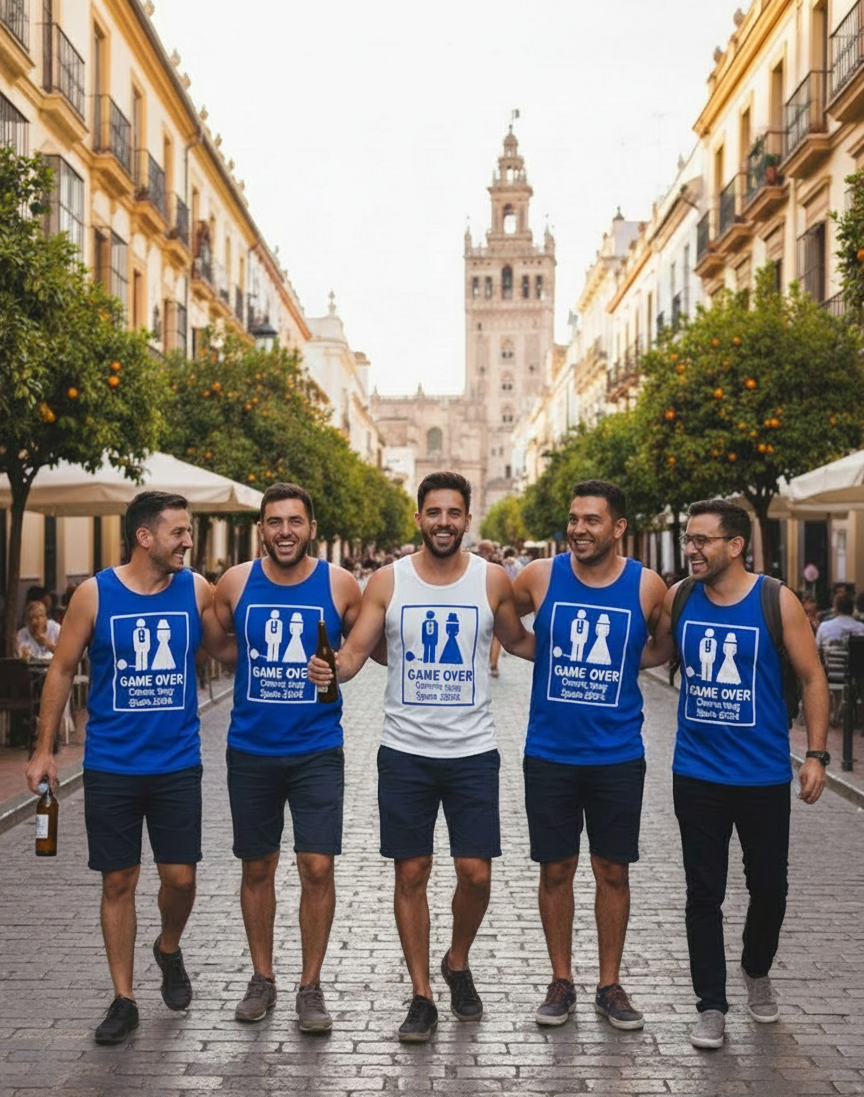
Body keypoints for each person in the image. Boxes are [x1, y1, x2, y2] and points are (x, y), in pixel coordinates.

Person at [309, 471, 534, 1042]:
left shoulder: (492, 580)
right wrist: (333, 669)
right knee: (411, 871)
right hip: (405, 752)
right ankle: (421, 993)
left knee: (475, 874)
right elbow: (357, 652)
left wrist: (594, 652)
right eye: (433, 512)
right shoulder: (388, 581)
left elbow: (519, 641)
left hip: (473, 751)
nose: (443, 522)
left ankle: (456, 960)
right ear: (419, 518)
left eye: (453, 513)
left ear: (467, 517)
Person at [24, 491, 232, 1046]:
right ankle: (124, 997)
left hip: (177, 763)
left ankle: (168, 946)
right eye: (179, 532)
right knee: (118, 879)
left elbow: (224, 650)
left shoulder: (196, 590)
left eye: (188, 532)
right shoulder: (95, 594)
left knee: (180, 878)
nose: (188, 541)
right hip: (112, 763)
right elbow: (62, 670)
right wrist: (44, 751)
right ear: (145, 537)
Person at [643, 498, 829, 1050]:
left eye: (701, 541)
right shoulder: (682, 597)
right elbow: (654, 652)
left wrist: (816, 755)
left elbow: (813, 678)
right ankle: (712, 1005)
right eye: (688, 540)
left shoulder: (777, 600)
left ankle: (755, 968)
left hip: (763, 775)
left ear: (734, 545)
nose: (691, 550)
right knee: (704, 893)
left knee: (769, 888)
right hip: (696, 773)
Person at [207, 483, 362, 1034]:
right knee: (258, 866)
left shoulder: (340, 585)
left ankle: (310, 985)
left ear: (311, 528)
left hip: (318, 749)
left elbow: (359, 653)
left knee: (316, 866)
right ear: (262, 530)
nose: (285, 532)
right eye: (275, 522)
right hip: (251, 749)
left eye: (295, 521)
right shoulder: (235, 583)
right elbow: (221, 643)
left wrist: (338, 666)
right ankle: (263, 977)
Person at [513, 480, 667, 1030]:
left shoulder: (647, 586)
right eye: (574, 519)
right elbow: (509, 630)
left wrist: (626, 665)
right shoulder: (539, 575)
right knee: (556, 869)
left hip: (617, 754)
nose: (579, 529)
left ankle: (610, 984)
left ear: (618, 527)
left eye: (592, 520)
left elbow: (664, 643)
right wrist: (542, 652)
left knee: (613, 871)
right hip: (550, 753)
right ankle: (561, 980)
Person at [476, 540, 502, 677]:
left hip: (481, 603)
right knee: (496, 636)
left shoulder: (472, 563)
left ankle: (490, 662)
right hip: (495, 601)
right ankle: (493, 664)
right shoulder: (497, 563)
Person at [815, 592, 864, 657]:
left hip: (829, 665)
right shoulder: (862, 628)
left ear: (835, 608)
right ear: (852, 609)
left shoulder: (824, 627)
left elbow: (816, 651)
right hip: (856, 666)